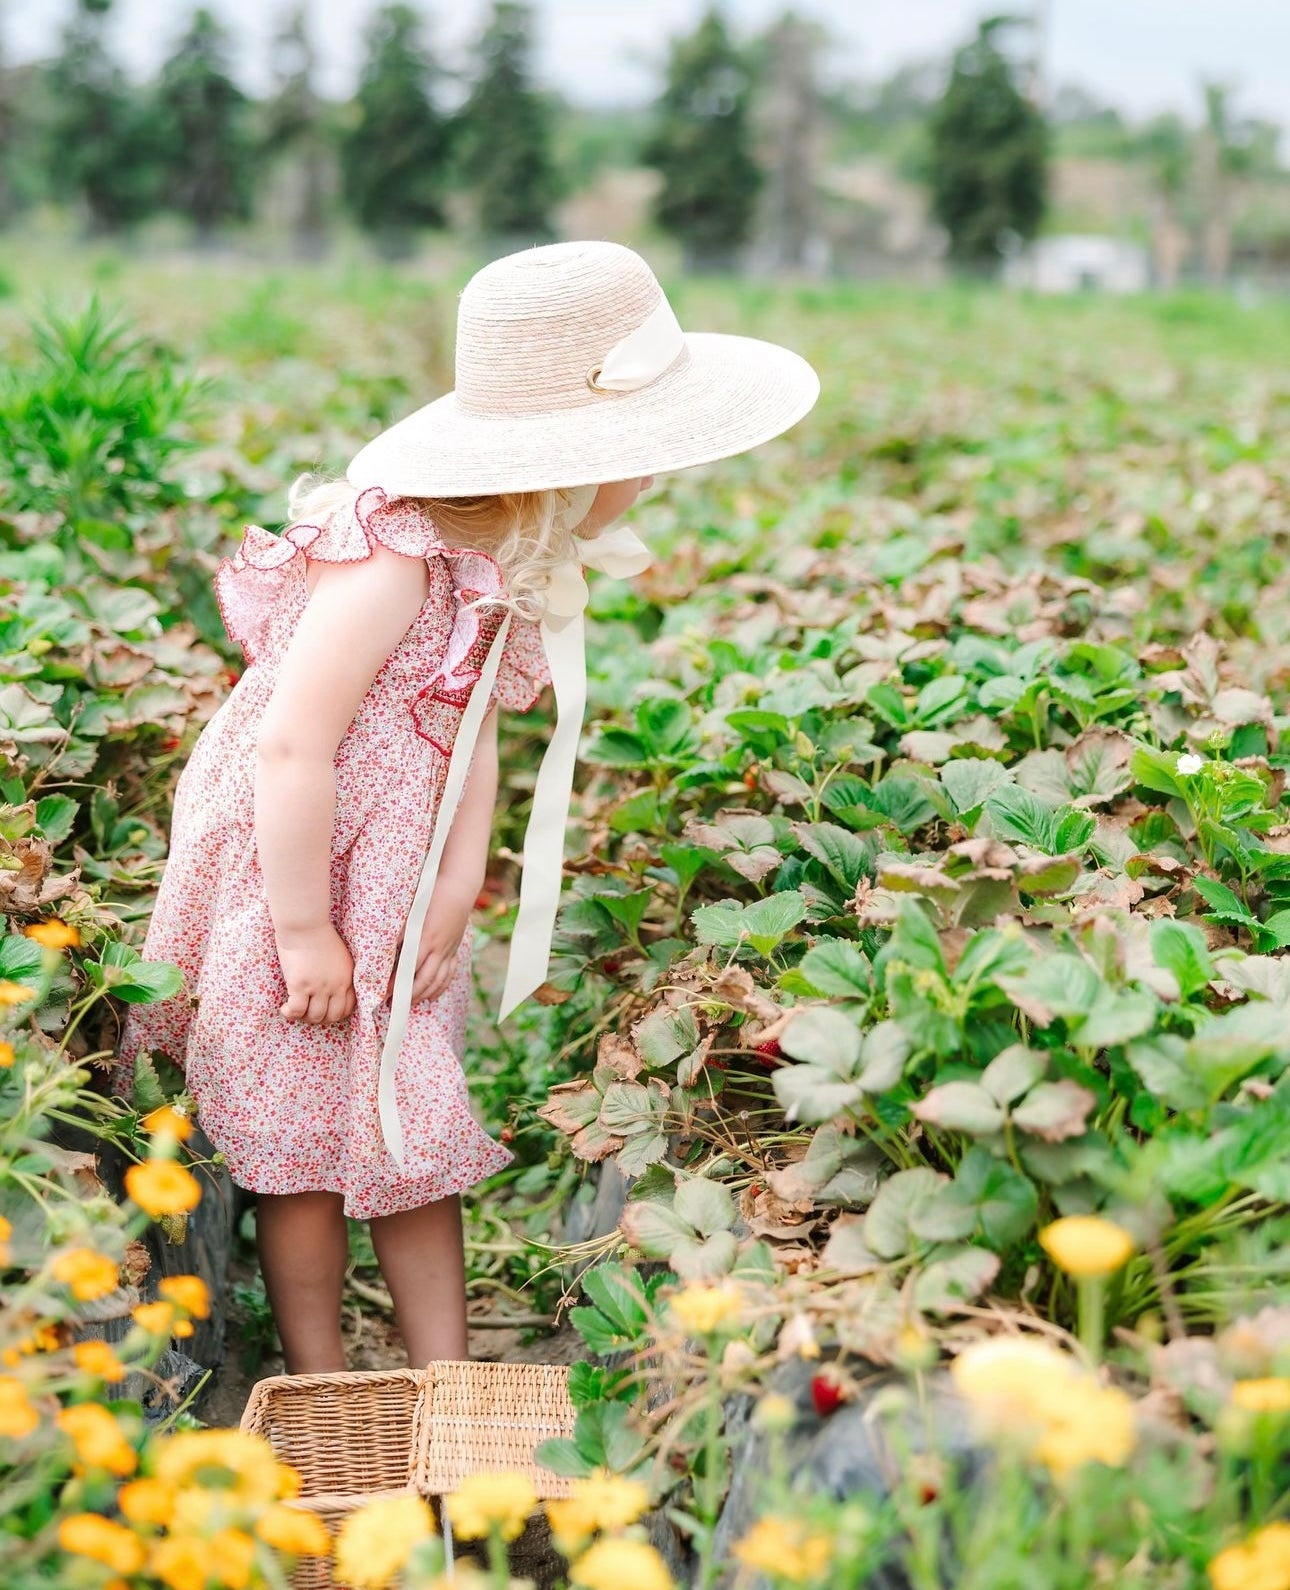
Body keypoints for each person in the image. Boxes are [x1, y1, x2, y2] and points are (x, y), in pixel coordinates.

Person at [114, 239, 819, 1374]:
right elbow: (292, 745)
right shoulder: (395, 553)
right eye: (642, 455)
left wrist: (452, 888)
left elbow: (471, 729)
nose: (650, 479)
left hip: (397, 868)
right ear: (566, 455)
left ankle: (444, 1374)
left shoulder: (504, 561)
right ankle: (323, 1378)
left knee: (408, 1113)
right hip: (293, 856)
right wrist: (303, 926)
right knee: (298, 1141)